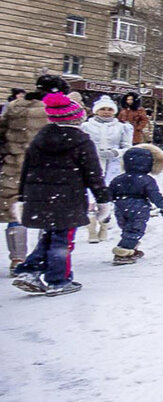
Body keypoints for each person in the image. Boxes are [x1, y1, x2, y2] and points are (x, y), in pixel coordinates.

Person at [11, 92, 111, 296]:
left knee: (49, 235)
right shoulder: (82, 141)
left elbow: (26, 170)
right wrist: (102, 200)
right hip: (68, 198)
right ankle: (58, 280)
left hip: (39, 196)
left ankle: (30, 270)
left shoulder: (39, 139)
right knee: (62, 240)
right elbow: (93, 174)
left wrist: (22, 198)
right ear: (78, 118)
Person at [1, 75, 72, 274]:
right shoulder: (57, 109)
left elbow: (2, 134)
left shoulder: (15, 106)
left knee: (16, 211)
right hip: (48, 167)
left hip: (15, 166)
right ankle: (43, 255)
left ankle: (17, 257)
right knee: (50, 212)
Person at [81, 94, 133, 242]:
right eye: (102, 109)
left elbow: (127, 147)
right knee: (90, 197)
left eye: (109, 109)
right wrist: (91, 153)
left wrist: (115, 152)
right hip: (91, 164)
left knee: (106, 197)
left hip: (113, 165)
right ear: (96, 110)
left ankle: (104, 227)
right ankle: (91, 230)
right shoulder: (86, 126)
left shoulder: (121, 127)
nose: (106, 112)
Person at [110, 145, 163, 265]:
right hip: (139, 206)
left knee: (126, 228)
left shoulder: (118, 179)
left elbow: (109, 194)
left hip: (120, 206)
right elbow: (154, 195)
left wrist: (105, 208)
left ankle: (130, 248)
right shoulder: (147, 179)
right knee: (135, 229)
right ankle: (122, 252)